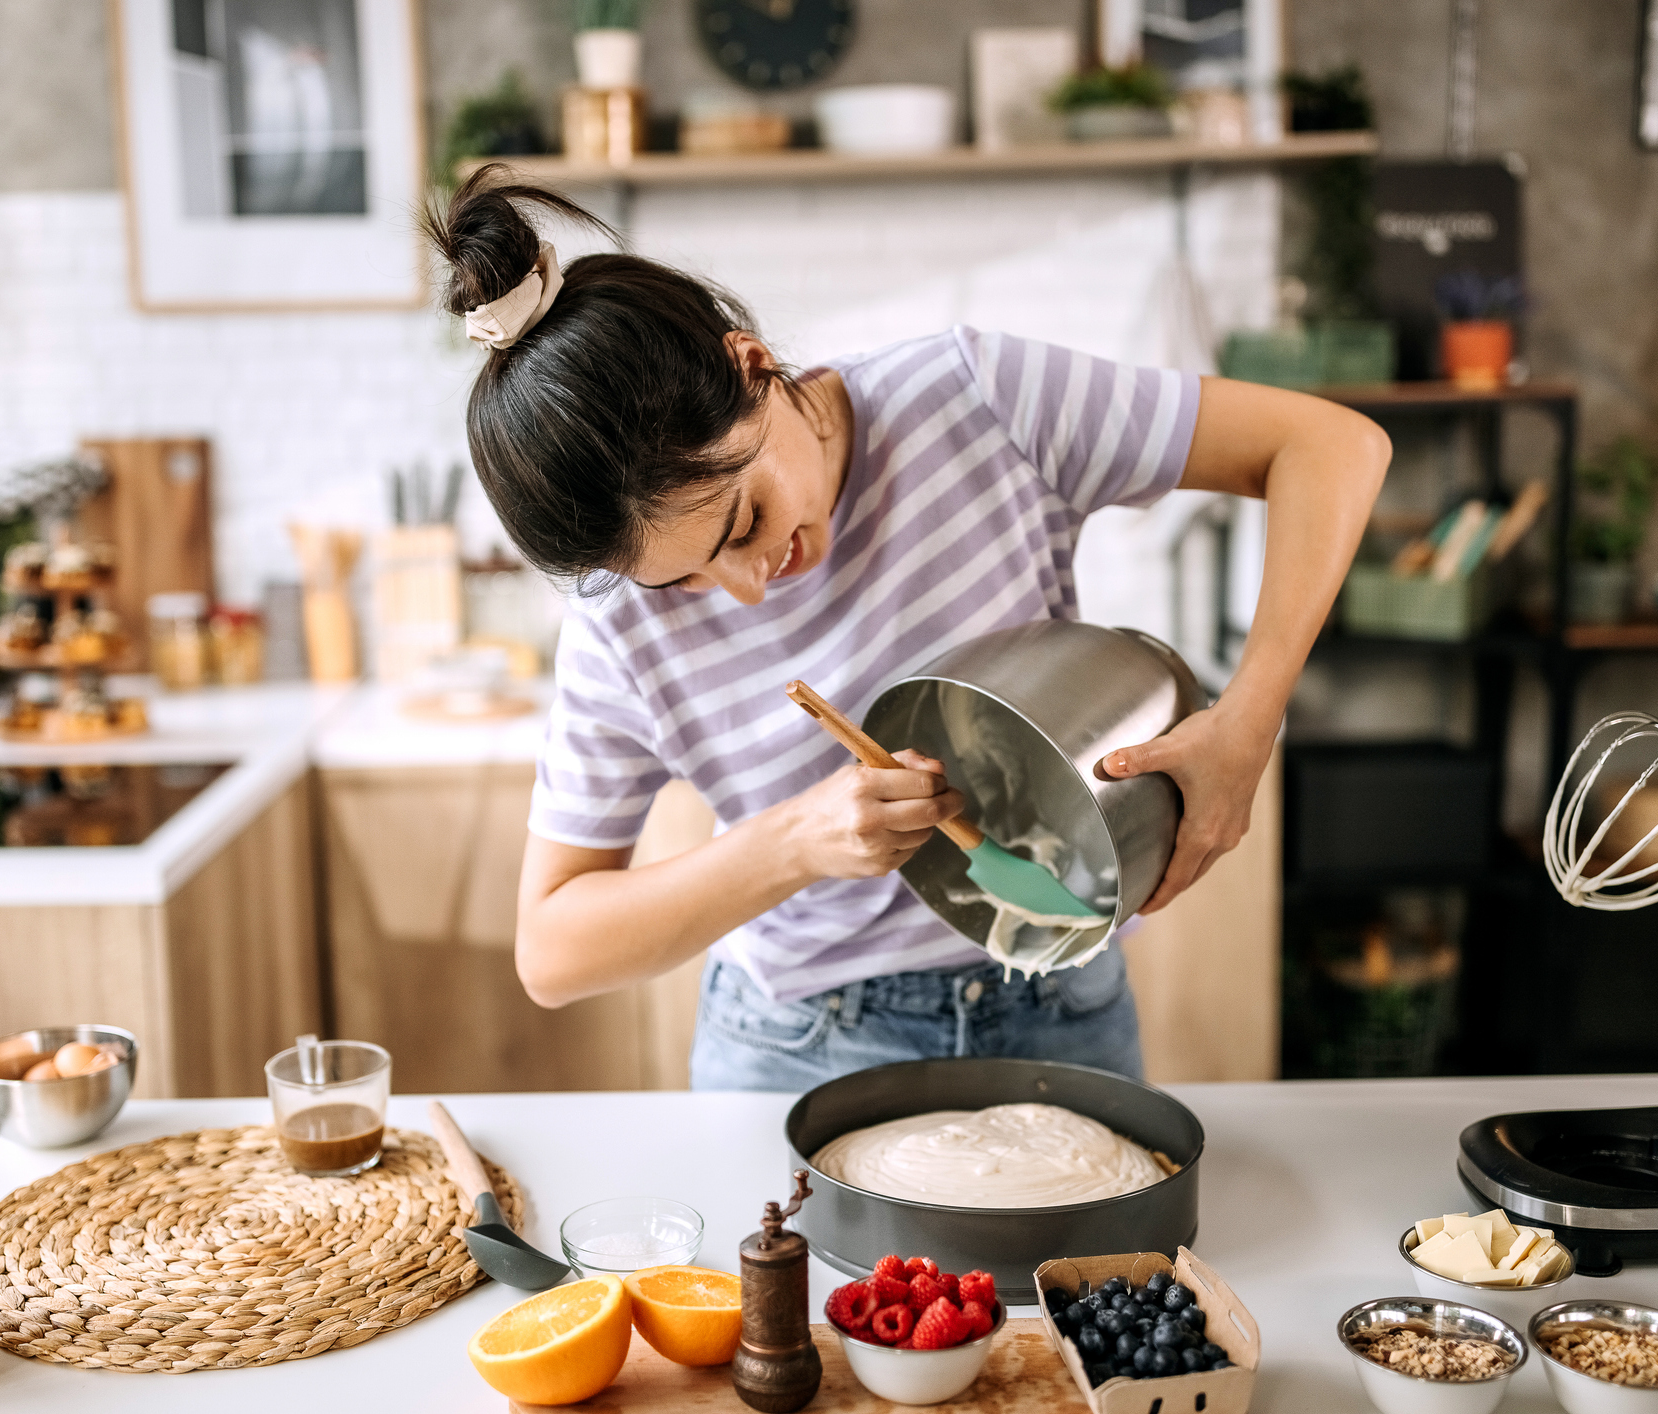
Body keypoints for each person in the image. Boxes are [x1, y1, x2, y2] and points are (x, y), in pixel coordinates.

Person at [423, 166, 1389, 1090]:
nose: (749, 589)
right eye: (686, 582)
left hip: (1061, 1009)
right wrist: (798, 841)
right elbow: (552, 953)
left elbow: (1331, 446)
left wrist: (1250, 719)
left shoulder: (978, 401)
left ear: (751, 365)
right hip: (796, 1051)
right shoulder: (620, 633)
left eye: (747, 522)